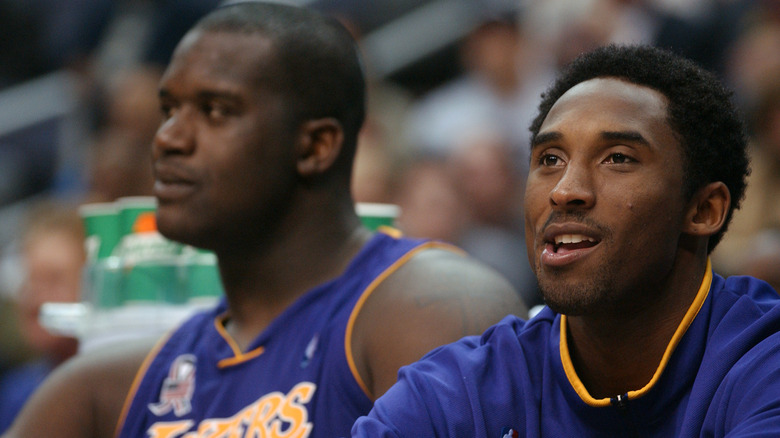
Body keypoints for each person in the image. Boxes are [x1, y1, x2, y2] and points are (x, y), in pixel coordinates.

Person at [2, 2, 525, 438]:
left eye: (215, 111)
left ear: (316, 146)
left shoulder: (435, 309)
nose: (169, 139)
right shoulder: (102, 389)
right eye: (170, 109)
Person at [351, 44, 780, 437]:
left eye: (618, 158)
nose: (564, 190)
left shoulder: (763, 362)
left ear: (703, 210)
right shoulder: (462, 387)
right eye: (550, 159)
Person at [0, 201, 85, 433]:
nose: (35, 298)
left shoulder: (113, 387)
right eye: (29, 278)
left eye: (54, 280)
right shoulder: (17, 391)